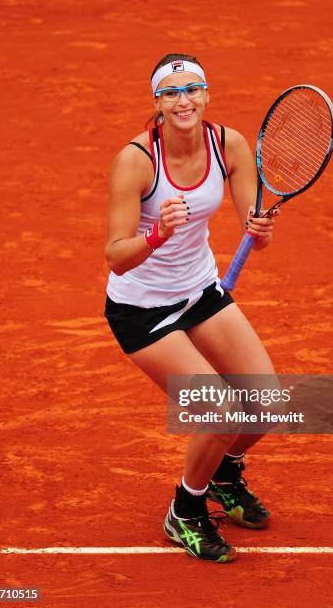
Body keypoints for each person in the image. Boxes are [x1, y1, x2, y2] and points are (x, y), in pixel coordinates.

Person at [104, 53, 280, 563]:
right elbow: (115, 258)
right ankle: (186, 510)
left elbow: (254, 223)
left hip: (201, 291)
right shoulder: (136, 161)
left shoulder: (230, 145)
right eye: (171, 92)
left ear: (207, 95)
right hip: (143, 309)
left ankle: (224, 472)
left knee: (264, 403)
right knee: (217, 410)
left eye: (192, 89)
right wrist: (157, 233)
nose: (183, 100)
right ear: (156, 102)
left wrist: (260, 231)